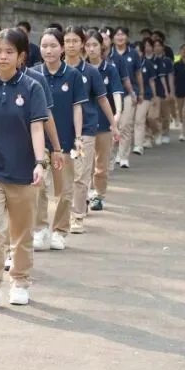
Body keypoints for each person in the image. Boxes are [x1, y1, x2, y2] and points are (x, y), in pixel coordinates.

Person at [0, 28, 49, 310]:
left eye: (9, 52)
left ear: (21, 56)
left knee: (21, 233)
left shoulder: (32, 87)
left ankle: (20, 281)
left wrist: (39, 162)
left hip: (24, 171)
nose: (2, 57)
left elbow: (37, 127)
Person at [34, 28, 85, 251]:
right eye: (44, 46)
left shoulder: (73, 75)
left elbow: (77, 107)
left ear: (62, 48)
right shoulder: (33, 74)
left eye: (53, 46)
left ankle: (60, 231)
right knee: (38, 186)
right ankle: (40, 229)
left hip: (65, 140)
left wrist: (79, 137)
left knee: (63, 189)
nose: (49, 50)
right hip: (39, 142)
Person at [64, 27, 117, 233]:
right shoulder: (55, 70)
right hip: (60, 130)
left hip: (86, 130)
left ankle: (77, 217)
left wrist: (113, 124)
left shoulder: (91, 72)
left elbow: (103, 99)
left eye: (75, 41)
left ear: (82, 44)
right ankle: (65, 211)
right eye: (67, 41)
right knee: (64, 176)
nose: (71, 45)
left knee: (81, 174)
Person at [90, 32, 123, 211]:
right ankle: (84, 194)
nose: (91, 49)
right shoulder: (79, 69)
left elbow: (116, 92)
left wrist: (117, 113)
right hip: (84, 124)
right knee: (83, 164)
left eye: (95, 45)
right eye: (88, 45)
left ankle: (98, 195)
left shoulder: (110, 69)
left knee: (101, 165)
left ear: (101, 46)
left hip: (104, 123)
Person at [112, 26, 142, 168]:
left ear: (127, 37)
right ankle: (113, 154)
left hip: (129, 93)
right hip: (112, 95)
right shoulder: (109, 54)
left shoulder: (133, 53)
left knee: (125, 125)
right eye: (117, 34)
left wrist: (140, 92)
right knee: (114, 126)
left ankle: (123, 155)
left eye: (122, 34)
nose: (120, 37)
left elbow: (138, 74)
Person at [137, 37, 161, 153]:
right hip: (135, 95)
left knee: (149, 117)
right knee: (141, 118)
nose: (136, 53)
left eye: (138, 51)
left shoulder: (148, 64)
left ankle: (156, 132)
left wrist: (155, 96)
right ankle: (146, 138)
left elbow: (152, 81)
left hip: (147, 94)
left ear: (142, 52)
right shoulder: (130, 64)